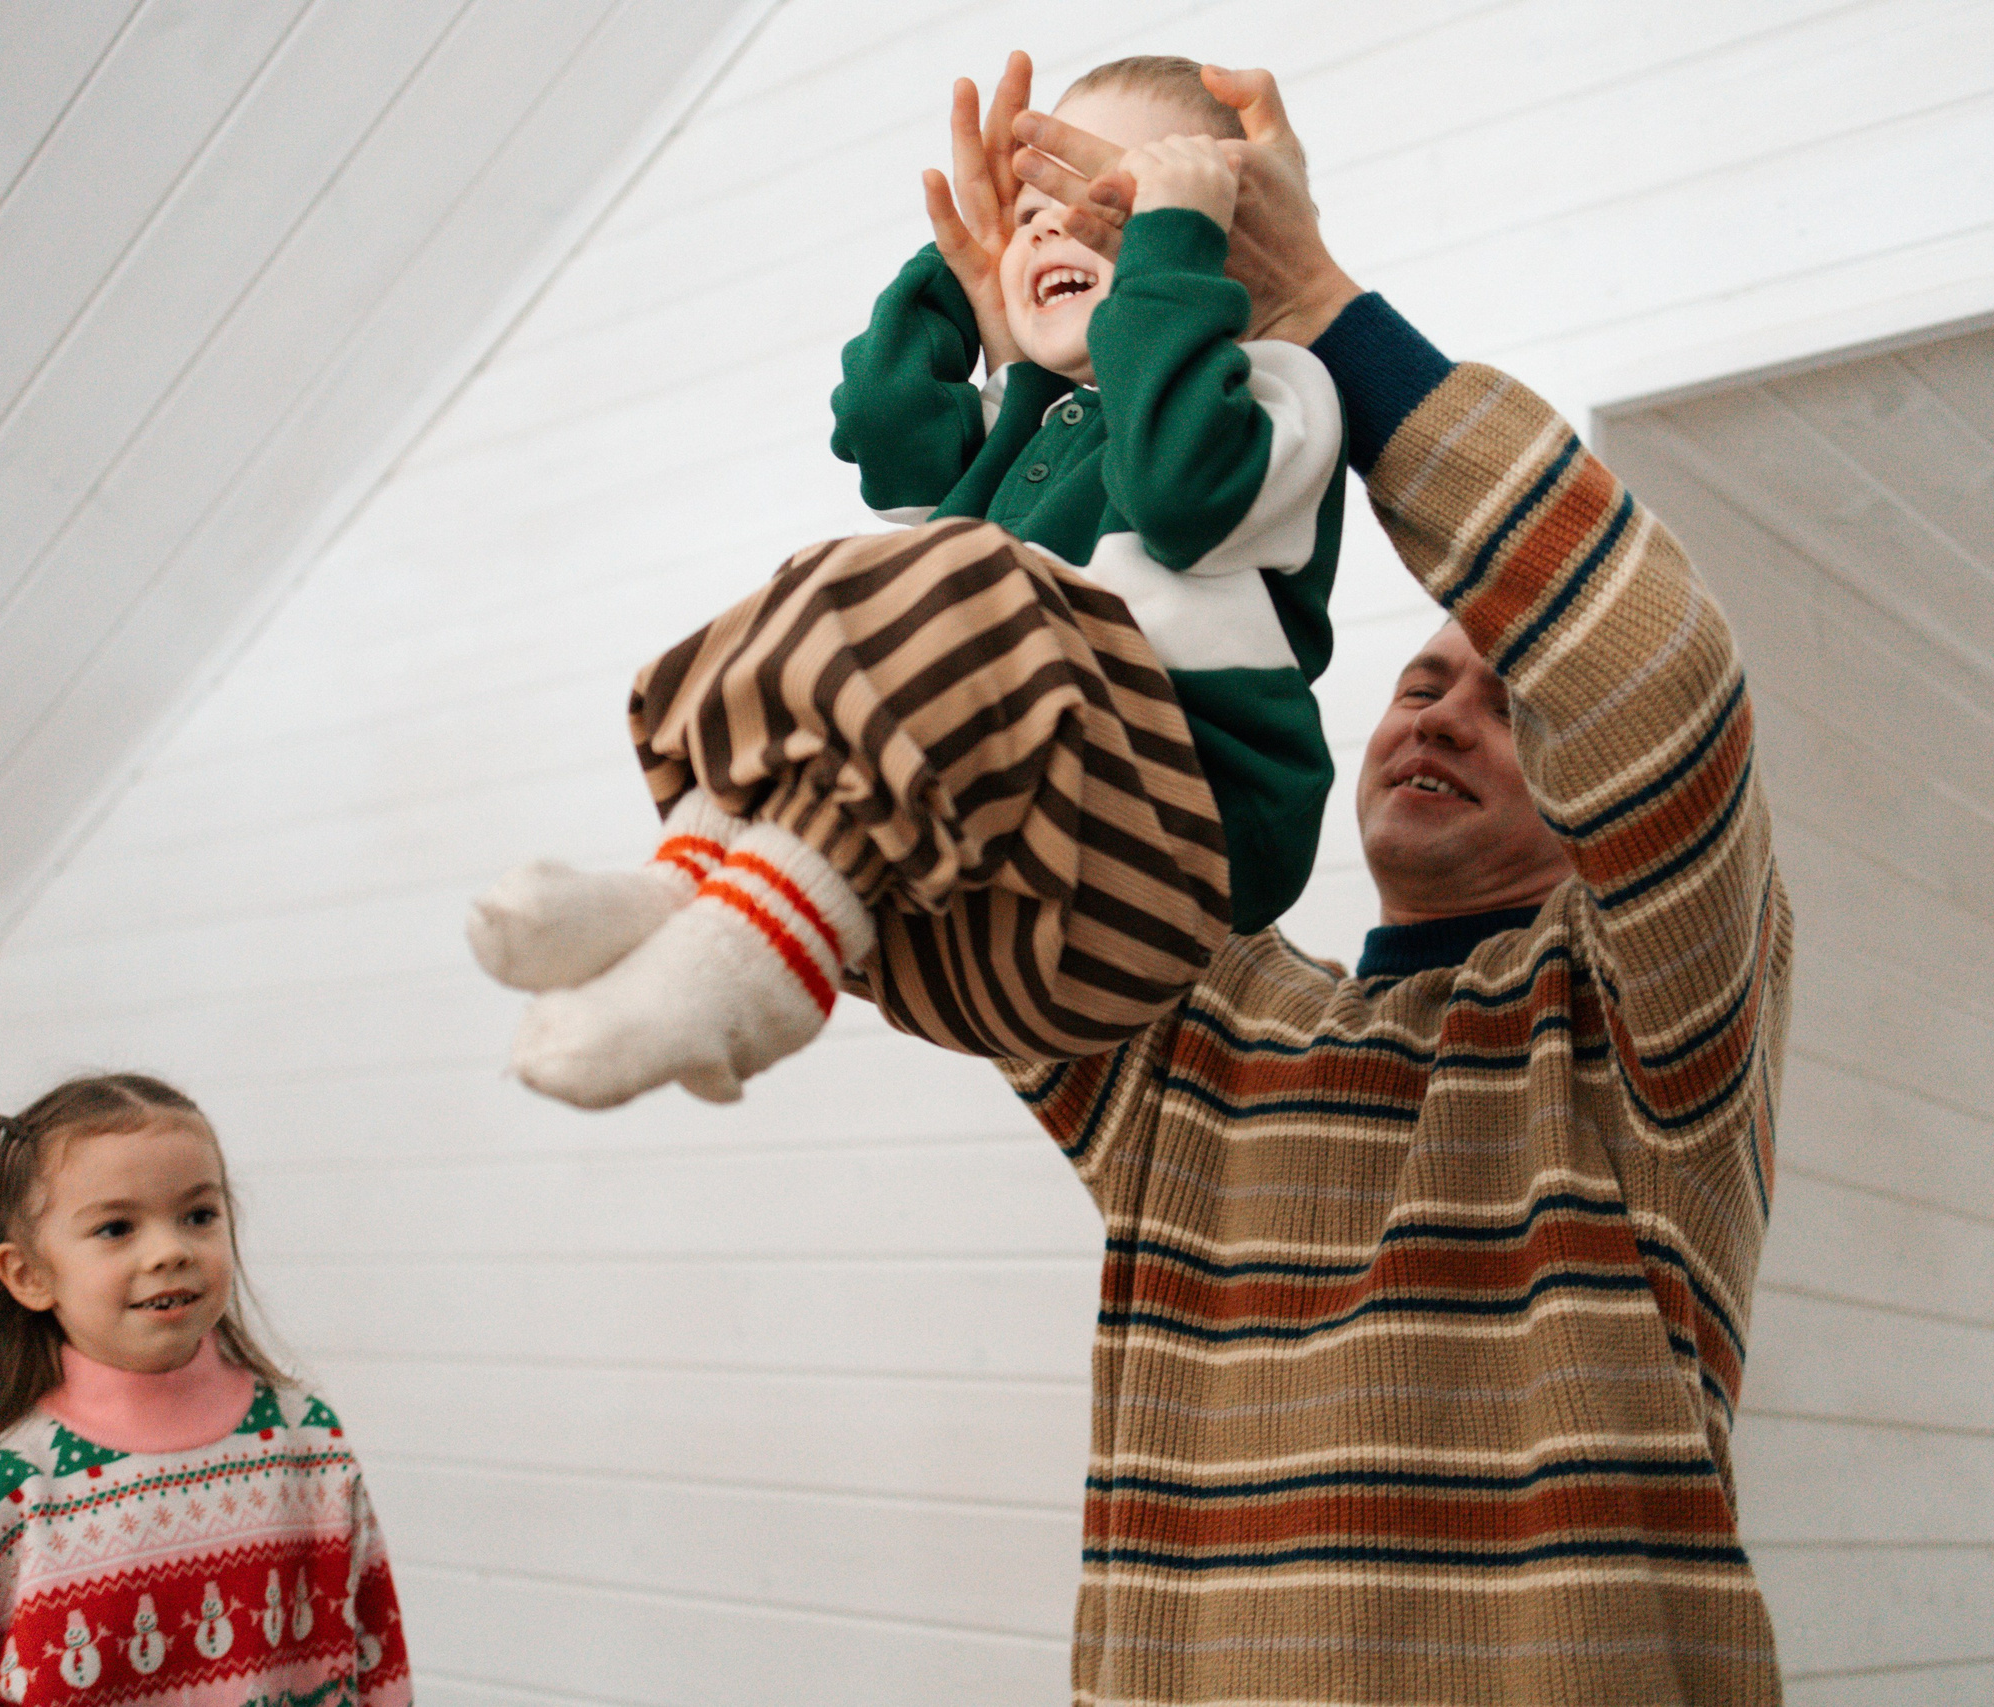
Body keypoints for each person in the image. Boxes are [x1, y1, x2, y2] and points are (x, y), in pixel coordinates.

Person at [977, 64, 1794, 1706]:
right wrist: (1054, 391)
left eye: (1507, 686)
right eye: (1421, 678)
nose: (1439, 697)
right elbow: (988, 825)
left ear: (1597, 800)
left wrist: (1311, 303)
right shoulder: (1196, 1040)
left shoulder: (1645, 1051)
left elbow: (1648, 664)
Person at [467, 53, 1345, 1110]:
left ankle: (748, 972)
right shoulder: (1020, 419)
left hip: (1152, 870)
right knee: (829, 580)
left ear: (1213, 251)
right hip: (971, 906)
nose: (1047, 231)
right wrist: (968, 286)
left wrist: (1179, 248)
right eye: (1030, 212)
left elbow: (1175, 487)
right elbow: (878, 422)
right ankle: (689, 881)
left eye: (1111, 209)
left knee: (963, 580)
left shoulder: (1273, 393)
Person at [0, 1075, 410, 1707]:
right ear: (29, 1275)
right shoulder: (7, 1488)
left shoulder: (308, 1440)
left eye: (198, 1216)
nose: (170, 1250)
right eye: (116, 1228)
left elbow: (379, 1658)